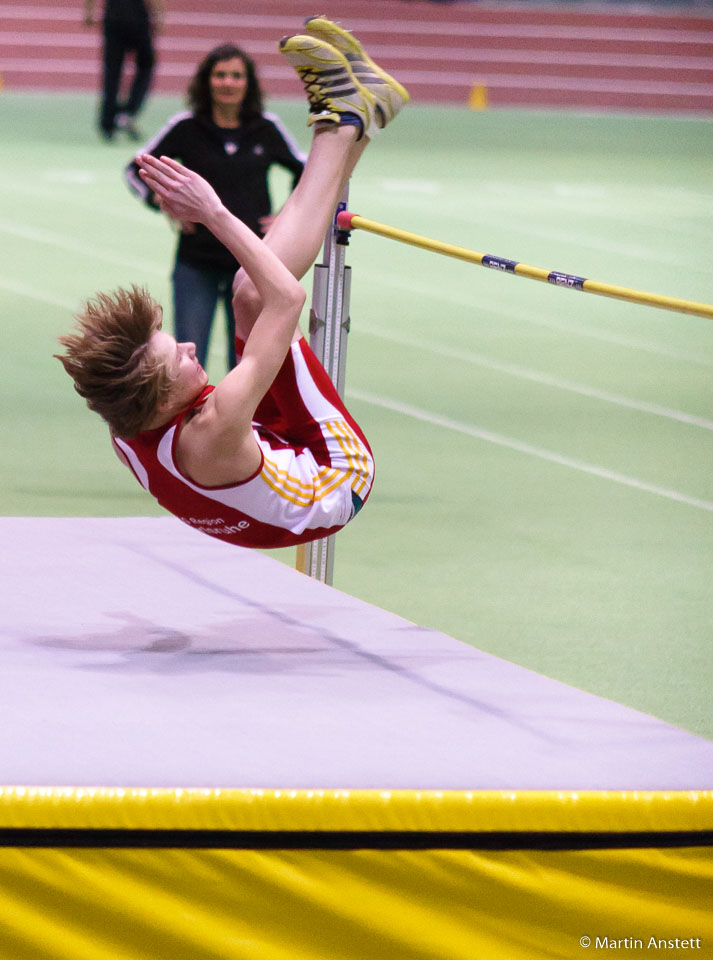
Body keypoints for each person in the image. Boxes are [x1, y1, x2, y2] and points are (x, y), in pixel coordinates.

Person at [56, 18, 409, 551]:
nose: (193, 347)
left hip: (254, 464)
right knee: (255, 291)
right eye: (180, 358)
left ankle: (358, 118)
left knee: (249, 290)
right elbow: (287, 299)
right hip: (335, 476)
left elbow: (128, 379)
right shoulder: (213, 428)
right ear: (162, 397)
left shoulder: (126, 414)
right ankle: (342, 121)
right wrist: (214, 212)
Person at [125, 43, 306, 372]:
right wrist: (163, 203)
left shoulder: (266, 128)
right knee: (188, 366)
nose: (228, 82)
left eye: (236, 76)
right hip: (197, 263)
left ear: (248, 83)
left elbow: (306, 171)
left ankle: (244, 426)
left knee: (249, 366)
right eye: (220, 75)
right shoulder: (187, 127)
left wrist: (284, 217)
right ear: (206, 81)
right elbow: (135, 170)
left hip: (251, 267)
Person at [84, 0, 163, 141]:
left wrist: (89, 11)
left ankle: (108, 122)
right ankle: (128, 112)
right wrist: (159, 16)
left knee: (112, 72)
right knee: (146, 66)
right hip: (137, 18)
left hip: (113, 17)